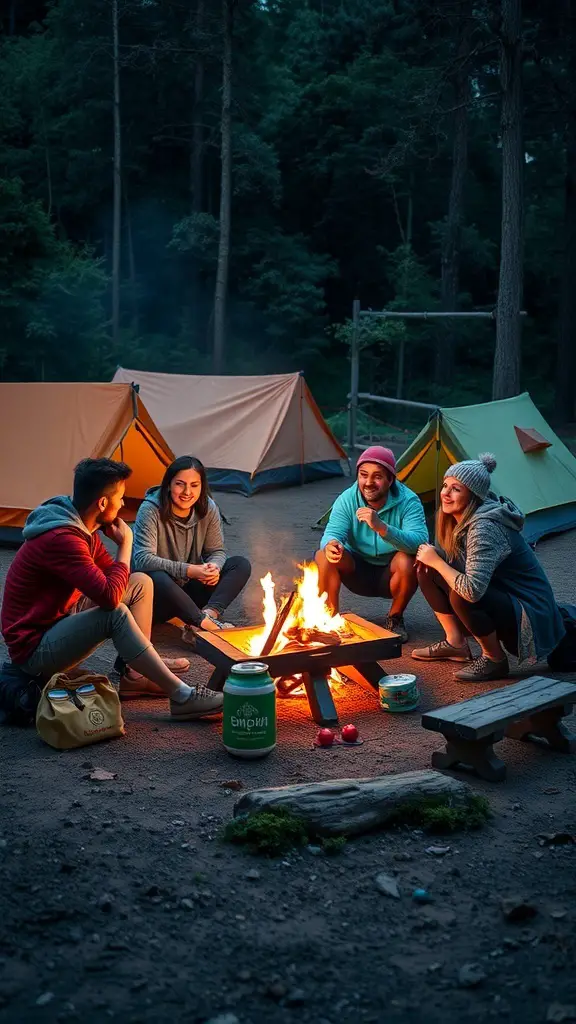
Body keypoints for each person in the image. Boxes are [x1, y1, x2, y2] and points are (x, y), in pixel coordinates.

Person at [0, 458, 223, 720]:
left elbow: (115, 576)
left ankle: (136, 675)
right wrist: (125, 544)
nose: (122, 504)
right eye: (119, 498)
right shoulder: (63, 539)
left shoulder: (81, 526)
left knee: (140, 582)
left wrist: (121, 561)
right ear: (103, 504)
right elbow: (109, 597)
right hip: (34, 650)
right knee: (114, 613)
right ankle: (183, 696)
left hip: (60, 619)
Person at [412, 453, 565, 682]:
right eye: (445, 485)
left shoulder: (485, 527)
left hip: (531, 611)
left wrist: (437, 560)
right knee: (426, 570)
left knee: (461, 595)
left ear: (473, 496)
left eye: (456, 488)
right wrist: (434, 561)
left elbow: (472, 589)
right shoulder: (463, 518)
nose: (445, 492)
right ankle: (455, 644)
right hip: (506, 595)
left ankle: (494, 660)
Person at [132, 455, 251, 645]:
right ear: (168, 484)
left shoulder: (208, 507)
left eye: (194, 485)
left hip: (188, 589)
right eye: (180, 484)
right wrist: (190, 570)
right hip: (157, 597)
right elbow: (142, 559)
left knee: (239, 564)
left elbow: (217, 550)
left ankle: (207, 616)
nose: (187, 492)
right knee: (155, 575)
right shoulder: (150, 509)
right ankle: (203, 623)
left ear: (202, 486)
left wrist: (213, 567)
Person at [315, 446, 428, 641]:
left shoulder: (408, 501)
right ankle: (329, 619)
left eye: (377, 477)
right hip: (356, 570)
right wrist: (332, 544)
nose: (368, 482)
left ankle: (395, 617)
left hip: (391, 574)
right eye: (363, 475)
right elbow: (332, 532)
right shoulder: (348, 499)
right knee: (323, 555)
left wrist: (383, 528)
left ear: (390, 479)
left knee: (409, 559)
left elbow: (420, 541)